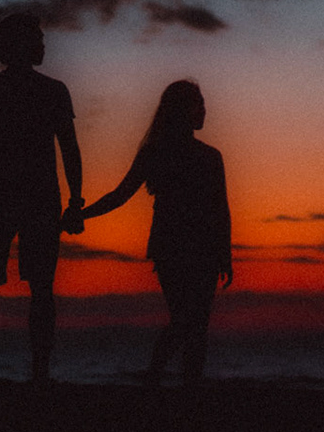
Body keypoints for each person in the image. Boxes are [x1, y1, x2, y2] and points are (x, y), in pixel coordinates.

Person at [0, 13, 85, 382]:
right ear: (23, 44)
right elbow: (70, 152)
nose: (44, 44)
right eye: (39, 38)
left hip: (8, 198)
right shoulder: (50, 91)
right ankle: (35, 372)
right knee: (38, 288)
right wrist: (75, 202)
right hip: (33, 198)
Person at [81, 79, 232, 384]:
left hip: (188, 248)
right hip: (179, 247)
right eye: (199, 104)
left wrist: (224, 254)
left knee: (191, 322)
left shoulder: (196, 155)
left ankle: (173, 380)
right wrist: (83, 213)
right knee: (190, 321)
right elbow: (121, 194)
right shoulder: (171, 154)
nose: (205, 110)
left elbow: (220, 210)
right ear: (184, 110)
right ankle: (160, 378)